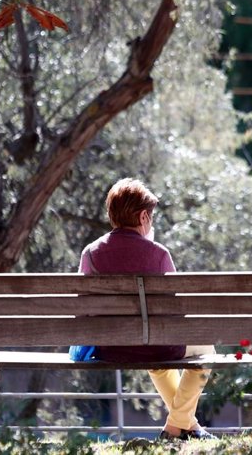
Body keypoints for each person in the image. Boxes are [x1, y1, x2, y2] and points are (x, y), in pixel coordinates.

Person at [78, 178, 216, 440]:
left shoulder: (91, 253)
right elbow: (176, 313)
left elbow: (83, 309)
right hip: (153, 344)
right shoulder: (159, 253)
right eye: (150, 217)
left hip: (109, 348)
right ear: (143, 216)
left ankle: (189, 427)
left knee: (160, 363)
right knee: (205, 349)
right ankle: (176, 427)